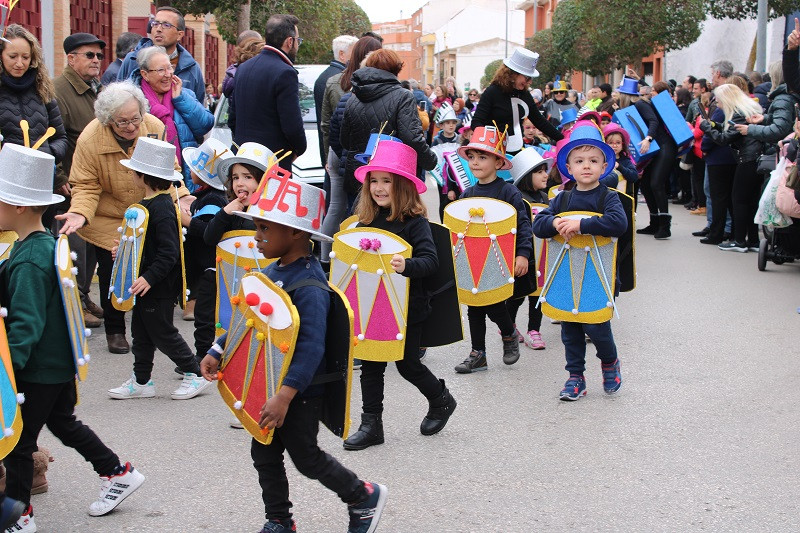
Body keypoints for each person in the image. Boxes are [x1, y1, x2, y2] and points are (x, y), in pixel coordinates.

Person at [200, 172, 388, 533]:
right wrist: (218, 348)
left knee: (306, 457)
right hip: (265, 380)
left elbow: (311, 347)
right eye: (257, 227)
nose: (257, 236)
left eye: (264, 229)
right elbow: (246, 320)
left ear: (297, 234)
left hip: (298, 392)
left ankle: (362, 495)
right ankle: (279, 521)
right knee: (263, 453)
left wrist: (285, 396)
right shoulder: (272, 271)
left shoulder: (310, 287)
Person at [0, 144, 145, 532]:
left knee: (17, 442)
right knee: (63, 423)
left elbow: (25, 325)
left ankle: (18, 517)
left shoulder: (29, 257)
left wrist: (7, 371)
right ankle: (117, 472)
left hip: (38, 368)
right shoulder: (40, 243)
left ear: (16, 206)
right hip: (58, 362)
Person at [56, 81, 194, 355]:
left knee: (155, 267)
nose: (131, 126)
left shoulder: (154, 126)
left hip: (149, 209)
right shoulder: (90, 139)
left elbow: (170, 170)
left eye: (135, 119)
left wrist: (183, 196)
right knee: (112, 270)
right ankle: (116, 330)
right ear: (108, 121)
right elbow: (85, 185)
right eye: (122, 122)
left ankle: (153, 328)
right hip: (109, 217)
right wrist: (80, 213)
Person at [342, 140, 457, 452]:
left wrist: (406, 265)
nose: (379, 188)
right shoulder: (363, 222)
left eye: (387, 181)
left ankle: (440, 399)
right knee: (370, 363)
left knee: (407, 365)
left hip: (407, 308)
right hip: (371, 307)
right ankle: (371, 425)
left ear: (403, 186)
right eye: (374, 181)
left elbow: (431, 262)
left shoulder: (414, 223)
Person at [106, 137, 214, 401]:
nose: (130, 173)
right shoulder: (147, 205)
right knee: (141, 334)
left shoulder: (164, 209)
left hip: (159, 287)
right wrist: (124, 254)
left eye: (133, 170)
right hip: (144, 284)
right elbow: (145, 245)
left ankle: (194, 372)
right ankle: (142, 381)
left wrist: (149, 277)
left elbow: (169, 253)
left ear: (143, 176)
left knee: (162, 332)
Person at [531, 123, 627, 400]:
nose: (587, 166)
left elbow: (617, 224)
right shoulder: (561, 199)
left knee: (597, 326)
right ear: (569, 168)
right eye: (579, 161)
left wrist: (582, 224)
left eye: (594, 160)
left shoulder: (609, 198)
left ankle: (609, 362)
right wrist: (557, 221)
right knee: (570, 327)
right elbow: (540, 225)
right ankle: (575, 376)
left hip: (597, 274)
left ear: (604, 166)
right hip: (564, 274)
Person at [453, 126, 531, 373]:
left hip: (500, 260)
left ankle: (508, 334)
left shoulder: (509, 192)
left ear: (498, 162)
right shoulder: (468, 194)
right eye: (472, 157)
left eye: (482, 157)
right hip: (473, 258)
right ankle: (478, 354)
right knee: (474, 306)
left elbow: (523, 225)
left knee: (496, 304)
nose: (475, 162)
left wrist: (523, 254)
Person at [53, 32, 106, 329]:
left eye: (99, 56)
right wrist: (59, 176)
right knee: (75, 246)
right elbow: (54, 136)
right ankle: (73, 302)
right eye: (89, 55)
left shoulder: (93, 89)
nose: (96, 60)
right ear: (71, 58)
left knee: (90, 244)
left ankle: (83, 296)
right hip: (71, 181)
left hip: (92, 181)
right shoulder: (59, 90)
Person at [340, 49, 437, 207]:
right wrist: (431, 160)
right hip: (393, 177)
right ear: (396, 70)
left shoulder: (353, 98)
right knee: (394, 227)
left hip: (360, 174)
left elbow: (344, 140)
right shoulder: (403, 96)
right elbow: (411, 138)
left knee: (363, 226)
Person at [320, 36, 383, 260]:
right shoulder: (368, 85)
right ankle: (355, 256)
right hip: (359, 153)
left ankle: (326, 258)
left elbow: (328, 123)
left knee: (336, 206)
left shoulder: (335, 81)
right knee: (360, 206)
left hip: (339, 152)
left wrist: (332, 151)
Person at [232, 14, 305, 171]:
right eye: (297, 41)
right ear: (289, 42)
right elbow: (291, 124)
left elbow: (234, 117)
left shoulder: (243, 68)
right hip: (272, 160)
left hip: (242, 156)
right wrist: (299, 148)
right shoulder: (285, 72)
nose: (297, 45)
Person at [134, 46, 214, 189]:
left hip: (184, 177)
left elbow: (205, 124)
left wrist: (181, 99)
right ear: (145, 74)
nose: (168, 74)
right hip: (146, 179)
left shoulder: (184, 94)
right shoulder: (134, 100)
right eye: (161, 70)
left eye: (170, 68)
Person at [700, 84, 764, 252]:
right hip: (754, 159)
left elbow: (723, 139)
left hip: (747, 159)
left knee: (739, 201)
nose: (717, 103)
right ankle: (753, 240)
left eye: (719, 99)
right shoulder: (746, 110)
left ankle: (740, 240)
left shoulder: (739, 113)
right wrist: (714, 125)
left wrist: (707, 127)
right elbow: (729, 131)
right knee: (750, 202)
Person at [180, 138, 231, 339]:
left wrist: (187, 221)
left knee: (206, 315)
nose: (190, 171)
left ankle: (202, 355)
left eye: (193, 168)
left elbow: (210, 230)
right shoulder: (205, 195)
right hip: (203, 264)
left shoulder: (212, 199)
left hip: (208, 265)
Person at [616, 77, 676, 239]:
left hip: (664, 146)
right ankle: (655, 222)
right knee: (647, 186)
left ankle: (665, 226)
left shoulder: (641, 104)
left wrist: (648, 138)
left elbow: (653, 121)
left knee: (656, 184)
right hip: (655, 148)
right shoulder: (633, 107)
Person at [506, 149, 553, 350]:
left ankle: (534, 330)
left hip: (542, 255)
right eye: (539, 171)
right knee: (517, 295)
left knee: (538, 294)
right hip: (522, 254)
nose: (546, 175)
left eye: (545, 171)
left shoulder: (546, 197)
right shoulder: (516, 198)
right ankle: (509, 326)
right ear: (526, 176)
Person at [473, 48, 562, 154]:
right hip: (493, 151)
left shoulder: (525, 94)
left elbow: (539, 120)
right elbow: (476, 122)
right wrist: (491, 143)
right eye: (527, 77)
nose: (529, 82)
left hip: (517, 149)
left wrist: (562, 139)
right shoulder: (492, 92)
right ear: (513, 74)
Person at [0, 24, 67, 163]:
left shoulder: (42, 89)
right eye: (13, 56)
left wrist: (48, 155)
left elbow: (60, 138)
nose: (20, 63)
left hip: (39, 175)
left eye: (25, 57)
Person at [117, 6, 205, 103]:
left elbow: (197, 108)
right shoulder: (133, 59)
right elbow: (118, 99)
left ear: (179, 35)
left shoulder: (191, 68)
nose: (158, 29)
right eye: (155, 24)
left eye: (166, 25)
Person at [315, 35, 358, 165]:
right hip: (339, 154)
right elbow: (331, 122)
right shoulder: (339, 80)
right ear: (342, 54)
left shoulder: (323, 77)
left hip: (332, 152)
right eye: (355, 53)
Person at [603, 123, 639, 197]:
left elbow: (634, 177)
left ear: (622, 145)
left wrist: (620, 167)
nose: (615, 145)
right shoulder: (601, 160)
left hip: (621, 199)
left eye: (618, 143)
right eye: (611, 143)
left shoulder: (625, 161)